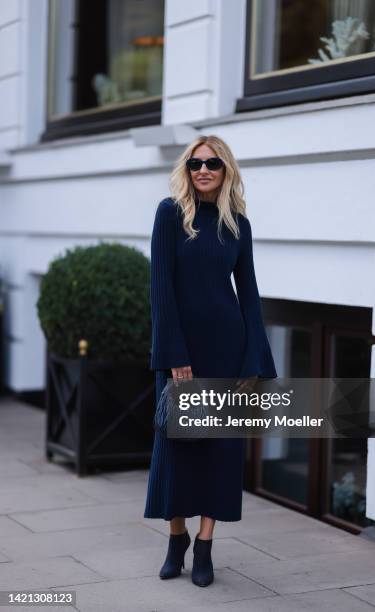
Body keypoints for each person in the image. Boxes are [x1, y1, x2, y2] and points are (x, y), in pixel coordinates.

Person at [143, 135, 277, 587]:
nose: (203, 170)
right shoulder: (169, 214)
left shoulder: (238, 223)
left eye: (213, 164)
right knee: (178, 450)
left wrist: (253, 361)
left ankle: (205, 547)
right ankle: (175, 538)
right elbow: (161, 290)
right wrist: (174, 355)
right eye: (196, 163)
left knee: (221, 450)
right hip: (183, 353)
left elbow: (250, 295)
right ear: (187, 169)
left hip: (227, 350)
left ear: (226, 170)